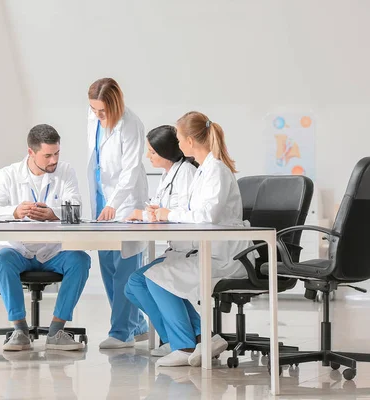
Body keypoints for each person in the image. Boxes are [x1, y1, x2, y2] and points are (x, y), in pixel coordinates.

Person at [125, 111, 255, 367]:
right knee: (149, 279)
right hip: (208, 250)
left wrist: (168, 213)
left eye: (179, 136)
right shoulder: (205, 171)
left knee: (157, 278)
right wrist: (162, 212)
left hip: (226, 256)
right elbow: (193, 211)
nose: (177, 142)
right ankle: (198, 338)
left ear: (190, 141)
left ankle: (184, 346)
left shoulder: (215, 170)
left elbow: (207, 216)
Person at [0, 124, 90, 351]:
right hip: (18, 250)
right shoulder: (7, 175)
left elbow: (76, 208)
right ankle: (19, 330)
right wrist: (14, 211)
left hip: (52, 251)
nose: (54, 160)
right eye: (47, 155)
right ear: (31, 152)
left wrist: (53, 213)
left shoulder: (66, 172)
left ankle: (57, 330)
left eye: (57, 153)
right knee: (2, 259)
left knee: (81, 260)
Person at [86, 77, 149, 349]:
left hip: (125, 202)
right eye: (94, 110)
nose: (98, 116)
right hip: (102, 200)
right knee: (107, 265)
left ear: (115, 105)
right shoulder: (93, 118)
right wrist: (104, 201)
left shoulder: (131, 124)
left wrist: (114, 202)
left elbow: (131, 169)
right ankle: (138, 325)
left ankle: (121, 333)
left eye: (102, 111)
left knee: (125, 266)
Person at [125, 125, 197, 222]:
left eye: (152, 152)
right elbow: (161, 209)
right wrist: (150, 212)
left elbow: (188, 212)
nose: (147, 156)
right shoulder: (167, 173)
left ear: (166, 153)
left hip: (184, 235)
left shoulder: (186, 171)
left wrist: (143, 215)